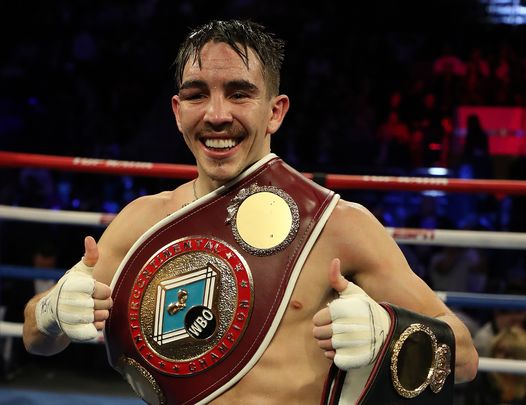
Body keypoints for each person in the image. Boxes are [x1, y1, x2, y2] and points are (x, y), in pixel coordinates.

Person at [22, 19, 478, 404]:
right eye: (198, 94)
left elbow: (465, 358)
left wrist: (390, 333)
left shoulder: (337, 226)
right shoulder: (142, 221)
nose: (217, 114)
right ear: (178, 112)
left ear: (275, 112)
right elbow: (35, 338)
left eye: (239, 93)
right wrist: (51, 311)